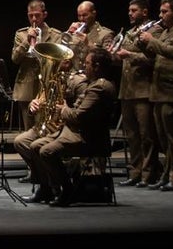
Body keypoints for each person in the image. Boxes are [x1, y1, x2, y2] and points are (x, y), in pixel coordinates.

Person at [29, 47, 118, 207]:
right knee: (36, 146)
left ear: (97, 66)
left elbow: (78, 116)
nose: (84, 65)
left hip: (89, 138)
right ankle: (51, 188)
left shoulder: (99, 88)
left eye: (88, 63)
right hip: (76, 132)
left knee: (47, 151)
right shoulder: (94, 84)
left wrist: (62, 109)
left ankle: (68, 190)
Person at [13, 51, 88, 202]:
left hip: (65, 128)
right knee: (20, 141)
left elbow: (81, 111)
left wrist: (64, 109)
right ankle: (46, 184)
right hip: (47, 125)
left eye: (58, 60)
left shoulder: (78, 81)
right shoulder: (51, 78)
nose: (54, 64)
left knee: (39, 147)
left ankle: (53, 185)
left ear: (68, 62)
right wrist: (33, 105)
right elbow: (41, 99)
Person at [112, 0, 162, 187]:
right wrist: (113, 55)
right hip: (127, 89)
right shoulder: (130, 32)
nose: (130, 13)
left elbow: (154, 58)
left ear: (144, 12)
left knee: (146, 134)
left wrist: (129, 54)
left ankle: (148, 174)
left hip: (143, 89)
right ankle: (135, 172)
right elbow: (121, 59)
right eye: (129, 10)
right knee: (131, 135)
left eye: (134, 10)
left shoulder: (154, 30)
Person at [139, 0, 173, 191]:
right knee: (163, 138)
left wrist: (151, 39)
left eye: (164, 11)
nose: (160, 15)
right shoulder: (165, 30)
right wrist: (143, 42)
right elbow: (153, 54)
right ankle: (167, 174)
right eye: (160, 11)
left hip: (171, 90)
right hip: (158, 89)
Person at [11, 0, 64, 140]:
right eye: (30, 15)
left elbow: (59, 59)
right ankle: (31, 161)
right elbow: (15, 59)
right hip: (26, 87)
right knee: (28, 131)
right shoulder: (21, 34)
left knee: (47, 130)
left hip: (47, 88)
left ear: (44, 14)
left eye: (37, 15)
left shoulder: (55, 35)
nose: (34, 19)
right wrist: (26, 41)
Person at [62, 0, 116, 70]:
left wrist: (88, 44)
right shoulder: (75, 31)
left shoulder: (106, 34)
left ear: (94, 13)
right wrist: (68, 32)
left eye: (85, 15)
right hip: (72, 77)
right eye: (79, 16)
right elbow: (61, 51)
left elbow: (109, 59)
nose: (81, 19)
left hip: (92, 78)